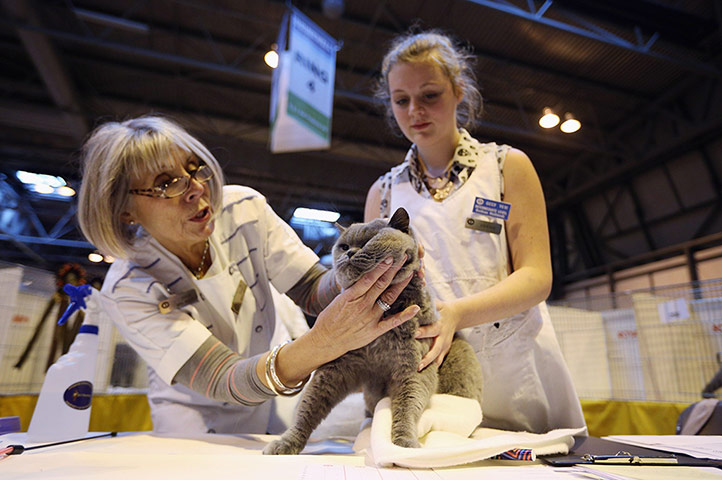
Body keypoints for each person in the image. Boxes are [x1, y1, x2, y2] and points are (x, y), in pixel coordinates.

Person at [76, 115, 420, 434]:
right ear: (125, 212)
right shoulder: (127, 289)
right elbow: (224, 378)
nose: (195, 187)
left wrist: (367, 264)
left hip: (267, 404)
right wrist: (322, 344)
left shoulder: (243, 209)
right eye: (166, 184)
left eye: (194, 168)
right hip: (194, 425)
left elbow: (313, 289)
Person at [365, 31, 586, 433]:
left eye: (429, 95)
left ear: (458, 90)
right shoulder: (382, 194)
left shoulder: (507, 167)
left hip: (516, 370)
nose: (415, 110)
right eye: (401, 100)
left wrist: (458, 314)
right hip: (430, 375)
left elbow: (538, 278)